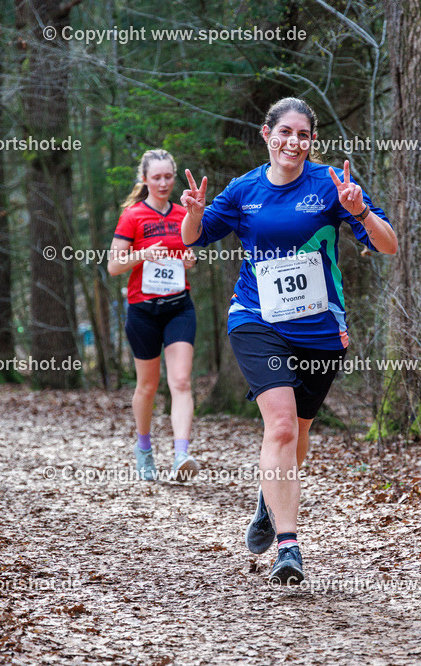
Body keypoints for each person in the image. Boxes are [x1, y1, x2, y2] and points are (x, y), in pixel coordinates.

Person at [180, 97, 398, 584]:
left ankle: (267, 501)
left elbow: (388, 244)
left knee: (297, 436)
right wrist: (193, 214)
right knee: (279, 427)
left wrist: (360, 212)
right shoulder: (244, 190)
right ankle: (289, 547)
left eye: (302, 135)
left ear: (311, 141)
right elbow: (193, 238)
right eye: (284, 133)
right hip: (257, 319)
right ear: (266, 133)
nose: (292, 143)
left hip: (321, 331)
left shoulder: (330, 185)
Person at [108, 149, 200, 482]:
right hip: (143, 311)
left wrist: (190, 261)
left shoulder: (181, 214)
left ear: (174, 178)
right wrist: (143, 253)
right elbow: (114, 266)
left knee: (181, 381)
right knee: (148, 385)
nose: (163, 183)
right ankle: (144, 448)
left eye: (168, 177)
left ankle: (180, 455)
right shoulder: (132, 216)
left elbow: (190, 252)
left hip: (179, 307)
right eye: (156, 177)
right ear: (145, 179)